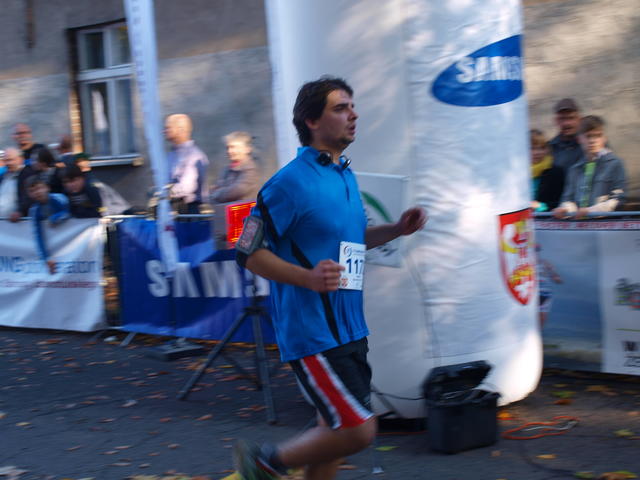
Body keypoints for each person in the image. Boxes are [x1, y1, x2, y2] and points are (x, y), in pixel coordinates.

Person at [233, 76, 427, 480]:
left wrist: (396, 230)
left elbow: (352, 241)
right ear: (311, 120)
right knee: (357, 431)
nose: (353, 115)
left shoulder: (343, 175)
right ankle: (264, 462)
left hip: (351, 328)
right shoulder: (288, 183)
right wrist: (307, 278)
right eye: (341, 108)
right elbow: (247, 252)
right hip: (314, 332)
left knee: (333, 432)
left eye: (352, 107)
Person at [553, 115, 626, 219]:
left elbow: (618, 199)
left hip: (605, 224)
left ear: (604, 138)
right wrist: (565, 209)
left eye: (597, 136)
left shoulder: (615, 164)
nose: (592, 140)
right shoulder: (574, 169)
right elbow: (568, 199)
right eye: (588, 136)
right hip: (579, 225)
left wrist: (591, 211)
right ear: (579, 139)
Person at [164, 113, 209, 214]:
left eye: (168, 128)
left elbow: (187, 187)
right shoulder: (172, 154)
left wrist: (164, 192)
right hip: (174, 208)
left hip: (189, 210)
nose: (164, 131)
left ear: (181, 129)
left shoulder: (194, 155)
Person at [25, 176, 70, 275]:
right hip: (55, 246)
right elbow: (38, 235)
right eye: (32, 191)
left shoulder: (59, 198)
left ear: (47, 188)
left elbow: (69, 212)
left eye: (39, 188)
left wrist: (55, 218)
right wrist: (46, 258)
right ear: (29, 194)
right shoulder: (34, 210)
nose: (37, 192)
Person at [210, 131, 261, 203]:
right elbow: (215, 188)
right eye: (228, 147)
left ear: (247, 149)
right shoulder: (227, 169)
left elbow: (236, 192)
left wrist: (217, 193)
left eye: (234, 147)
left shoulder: (250, 169)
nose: (229, 151)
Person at [530, 129, 564, 212]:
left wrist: (540, 206)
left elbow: (559, 203)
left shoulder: (556, 172)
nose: (537, 152)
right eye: (532, 148)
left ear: (547, 149)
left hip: (546, 217)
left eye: (541, 148)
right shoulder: (518, 173)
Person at [0, 147, 36, 221]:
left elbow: (31, 197)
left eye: (11, 160)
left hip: (18, 223)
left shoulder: (28, 174)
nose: (8, 163)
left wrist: (20, 212)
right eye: (6, 160)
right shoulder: (3, 176)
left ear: (21, 159)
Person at [548, 99, 582, 175]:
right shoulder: (549, 148)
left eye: (571, 118)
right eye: (562, 118)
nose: (566, 123)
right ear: (556, 121)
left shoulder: (590, 144)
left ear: (579, 119)